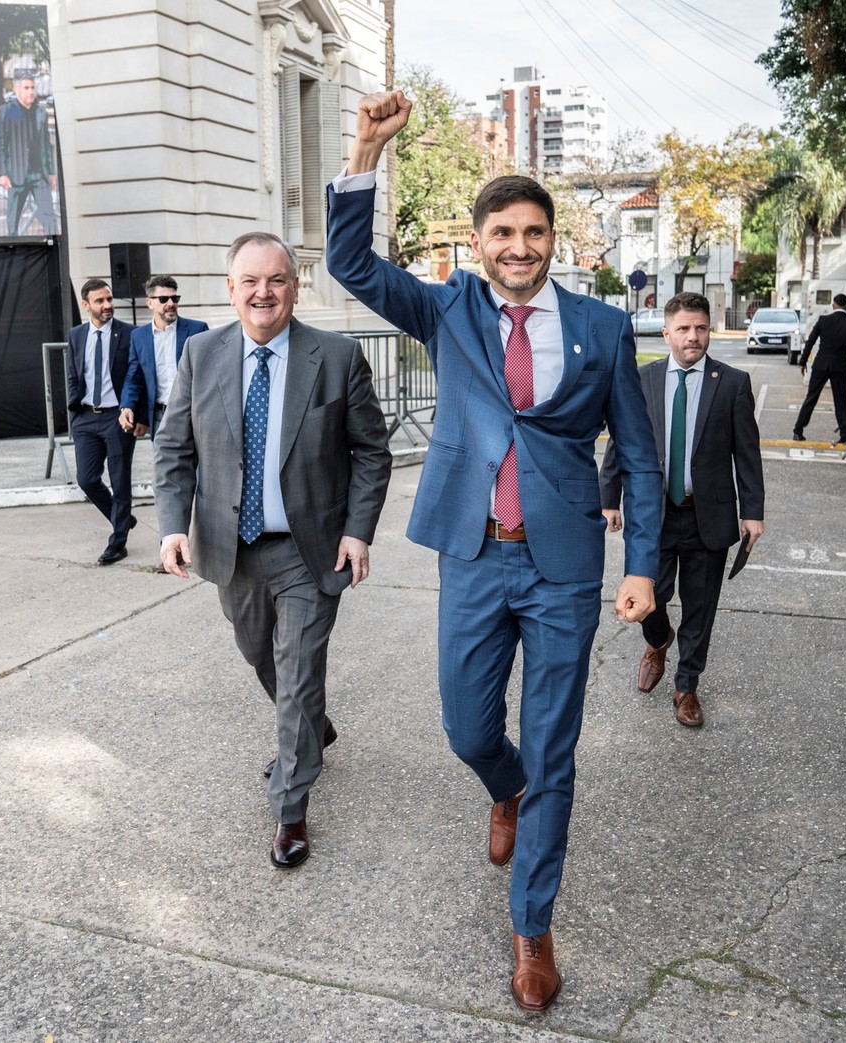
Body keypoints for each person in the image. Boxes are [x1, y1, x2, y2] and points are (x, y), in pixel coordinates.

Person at [325, 91, 661, 1014]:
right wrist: (366, 146)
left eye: (534, 232)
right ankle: (498, 787)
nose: (519, 246)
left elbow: (635, 449)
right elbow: (348, 261)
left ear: (556, 239)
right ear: (478, 242)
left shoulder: (598, 326)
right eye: (503, 232)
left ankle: (530, 928)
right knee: (470, 729)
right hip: (472, 556)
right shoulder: (448, 311)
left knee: (555, 749)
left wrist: (640, 564)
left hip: (562, 569)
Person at [153, 231, 391, 872]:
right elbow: (175, 449)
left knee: (296, 673)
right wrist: (172, 525)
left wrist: (358, 530)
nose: (264, 293)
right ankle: (315, 727)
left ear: (294, 286)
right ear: (231, 291)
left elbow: (371, 452)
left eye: (277, 280)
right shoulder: (201, 355)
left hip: (309, 552)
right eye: (250, 282)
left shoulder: (336, 358)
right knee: (261, 657)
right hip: (233, 551)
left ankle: (289, 807)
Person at [600, 292, 765, 728]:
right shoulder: (642, 380)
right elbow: (622, 442)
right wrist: (608, 499)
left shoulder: (732, 383)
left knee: (701, 606)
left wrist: (753, 512)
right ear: (666, 332)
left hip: (706, 515)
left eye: (701, 328)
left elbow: (747, 454)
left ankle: (686, 686)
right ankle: (658, 639)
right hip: (651, 515)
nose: (694, 337)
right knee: (648, 598)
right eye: (685, 329)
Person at [67, 279, 137, 565]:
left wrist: (134, 412)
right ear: (86, 305)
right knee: (87, 479)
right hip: (85, 417)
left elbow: (136, 376)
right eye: (100, 301)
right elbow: (73, 374)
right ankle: (122, 518)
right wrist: (74, 415)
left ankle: (118, 543)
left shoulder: (130, 334)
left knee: (120, 483)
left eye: (109, 299)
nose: (107, 305)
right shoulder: (76, 335)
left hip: (116, 417)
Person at [119, 275, 209, 441]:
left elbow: (209, 374)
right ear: (150, 303)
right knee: (165, 466)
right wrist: (127, 406)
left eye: (174, 298)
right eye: (163, 299)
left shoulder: (197, 329)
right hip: (160, 416)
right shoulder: (138, 336)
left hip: (193, 413)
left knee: (199, 466)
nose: (171, 303)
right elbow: (134, 377)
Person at [793, 293, 846, 444]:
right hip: (840, 366)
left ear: (833, 305)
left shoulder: (823, 320)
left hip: (821, 364)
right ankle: (844, 435)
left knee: (811, 397)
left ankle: (798, 430)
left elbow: (810, 341)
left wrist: (803, 360)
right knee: (841, 401)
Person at [0, 73, 58, 235]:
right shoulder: (8, 111)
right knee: (13, 221)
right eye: (26, 88)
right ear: (16, 90)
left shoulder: (40, 112)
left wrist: (51, 172)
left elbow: (46, 143)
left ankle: (54, 249)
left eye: (32, 88)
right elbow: (0, 143)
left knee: (49, 218)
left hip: (39, 175)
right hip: (16, 175)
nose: (30, 92)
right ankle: (13, 250)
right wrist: (2, 173)